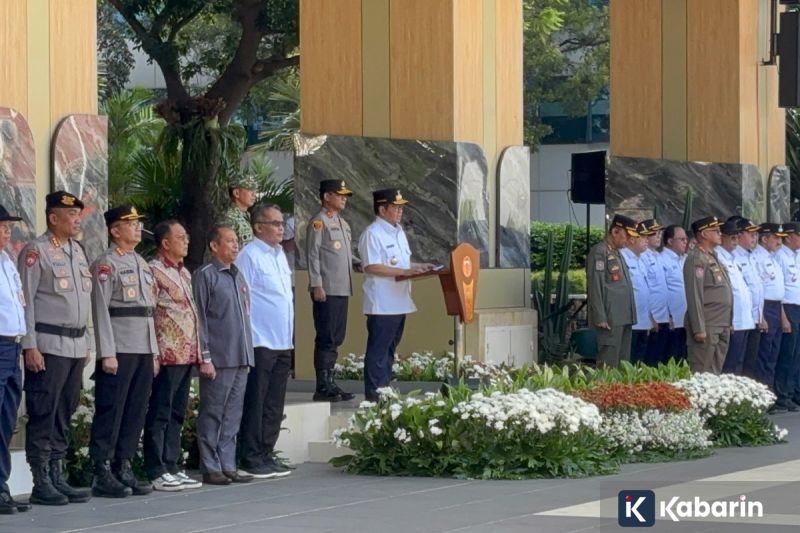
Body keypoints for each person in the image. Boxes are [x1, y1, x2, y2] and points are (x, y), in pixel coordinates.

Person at [18, 191, 92, 505]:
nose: (77, 220)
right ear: (53, 218)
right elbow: (27, 302)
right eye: (71, 214)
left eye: (78, 214)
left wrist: (87, 342)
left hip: (75, 345)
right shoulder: (37, 251)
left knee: (65, 410)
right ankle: (41, 479)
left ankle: (58, 474)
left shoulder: (78, 250)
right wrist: (29, 346)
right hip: (48, 345)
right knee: (44, 411)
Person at [89, 205, 158, 498]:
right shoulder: (106, 264)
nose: (137, 228)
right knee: (112, 408)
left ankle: (124, 463)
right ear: (115, 231)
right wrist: (108, 352)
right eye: (131, 224)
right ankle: (102, 468)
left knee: (135, 409)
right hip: (120, 345)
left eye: (138, 224)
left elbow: (148, 311)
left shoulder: (140, 262)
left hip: (142, 346)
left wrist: (153, 351)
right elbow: (101, 310)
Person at [142, 220, 204, 491]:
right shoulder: (153, 271)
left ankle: (172, 464)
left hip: (186, 353)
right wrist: (153, 352)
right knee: (160, 411)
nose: (186, 241)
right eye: (180, 237)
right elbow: (149, 314)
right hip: (166, 354)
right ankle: (156, 469)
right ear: (165, 243)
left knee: (178, 412)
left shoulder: (184, 273)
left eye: (186, 236)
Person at [193, 225, 254, 486]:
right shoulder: (206, 275)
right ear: (214, 246)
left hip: (240, 356)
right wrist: (204, 357)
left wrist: (249, 355)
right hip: (219, 357)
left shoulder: (237, 275)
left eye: (236, 240)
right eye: (229, 241)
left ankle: (228, 463)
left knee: (233, 414)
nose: (235, 245)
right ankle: (209, 464)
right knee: (213, 412)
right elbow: (200, 319)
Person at [236, 205, 294, 479]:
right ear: (259, 227)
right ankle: (250, 455)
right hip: (260, 338)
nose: (281, 228)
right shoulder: (250, 255)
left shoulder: (280, 254)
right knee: (256, 400)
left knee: (274, 401)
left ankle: (267, 453)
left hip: (282, 339)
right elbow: (243, 298)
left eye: (282, 223)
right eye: (275, 223)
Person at [358, 189, 432, 400]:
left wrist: (419, 267)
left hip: (399, 300)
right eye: (395, 207)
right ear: (382, 209)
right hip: (382, 302)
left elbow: (402, 264)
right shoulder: (373, 234)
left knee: (389, 351)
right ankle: (374, 397)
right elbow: (372, 266)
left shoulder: (398, 232)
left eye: (401, 208)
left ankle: (385, 391)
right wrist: (405, 271)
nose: (400, 212)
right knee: (378, 352)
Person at [306, 179, 359, 402]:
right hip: (326, 288)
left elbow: (344, 255)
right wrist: (317, 283)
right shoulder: (319, 222)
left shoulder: (342, 223)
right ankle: (322, 385)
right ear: (326, 196)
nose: (344, 198)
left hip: (341, 288)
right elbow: (313, 253)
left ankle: (331, 381)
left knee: (336, 337)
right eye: (339, 194)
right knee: (326, 337)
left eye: (345, 195)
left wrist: (359, 263)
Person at [0, 204, 31, 515]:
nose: (7, 231)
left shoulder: (7, 261)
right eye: (3, 226)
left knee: (6, 420)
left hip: (13, 347)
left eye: (9, 226)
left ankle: (2, 486)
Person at [586, 214, 637, 367]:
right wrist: (600, 316)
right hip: (610, 317)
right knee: (609, 362)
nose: (630, 240)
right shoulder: (600, 252)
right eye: (627, 235)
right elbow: (595, 285)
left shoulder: (616, 253)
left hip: (623, 316)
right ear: (615, 232)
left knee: (623, 362)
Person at [684, 216, 732, 374]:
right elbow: (694, 294)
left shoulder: (712, 256)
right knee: (702, 371)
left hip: (721, 323)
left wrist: (729, 321)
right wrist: (698, 328)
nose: (720, 233)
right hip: (708, 323)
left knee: (715, 372)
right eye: (716, 230)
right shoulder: (696, 258)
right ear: (704, 234)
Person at [752, 222, 786, 405]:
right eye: (776, 237)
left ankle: (770, 393)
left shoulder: (774, 257)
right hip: (765, 307)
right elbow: (759, 289)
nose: (779, 241)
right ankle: (762, 395)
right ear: (765, 238)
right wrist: (761, 316)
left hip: (776, 307)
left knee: (773, 352)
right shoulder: (757, 257)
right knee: (764, 353)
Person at [715, 220, 754, 374]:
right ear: (721, 237)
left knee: (739, 362)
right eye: (732, 237)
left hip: (744, 320)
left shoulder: (733, 257)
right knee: (728, 365)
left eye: (737, 237)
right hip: (732, 320)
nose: (735, 241)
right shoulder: (718, 257)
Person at [730, 217, 765, 378]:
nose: (754, 238)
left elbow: (756, 290)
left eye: (756, 234)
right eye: (751, 234)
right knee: (736, 363)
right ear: (739, 234)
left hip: (754, 318)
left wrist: (760, 316)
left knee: (749, 364)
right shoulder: (734, 256)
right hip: (739, 320)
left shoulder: (752, 256)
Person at [774, 222, 800, 411]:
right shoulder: (780, 256)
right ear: (789, 236)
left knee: (797, 354)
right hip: (788, 307)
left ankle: (794, 391)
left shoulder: (797, 255)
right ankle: (783, 394)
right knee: (787, 353)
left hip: (798, 306)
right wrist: (783, 316)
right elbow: (780, 289)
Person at [620, 222, 652, 364]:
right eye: (643, 237)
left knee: (640, 360)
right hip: (630, 322)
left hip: (643, 320)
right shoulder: (622, 258)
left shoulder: (640, 260)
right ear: (632, 239)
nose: (647, 240)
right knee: (629, 360)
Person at [640, 219, 670, 365]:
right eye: (654, 234)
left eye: (660, 233)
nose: (658, 236)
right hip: (652, 318)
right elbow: (645, 289)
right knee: (649, 359)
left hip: (663, 316)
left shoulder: (657, 256)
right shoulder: (643, 257)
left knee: (660, 359)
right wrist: (650, 317)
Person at [660, 225, 689, 362]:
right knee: (670, 360)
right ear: (670, 241)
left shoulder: (684, 260)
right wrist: (668, 315)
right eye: (681, 239)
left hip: (685, 320)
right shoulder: (662, 259)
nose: (685, 242)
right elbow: (661, 291)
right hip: (672, 321)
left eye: (686, 239)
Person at [221, 173, 258, 247]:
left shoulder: (246, 215)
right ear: (236, 193)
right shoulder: (229, 218)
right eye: (250, 189)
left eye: (255, 190)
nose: (254, 194)